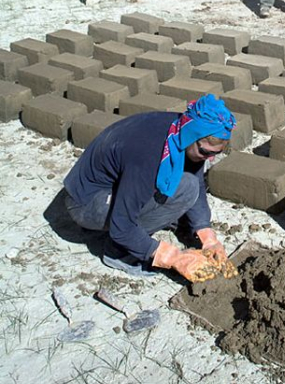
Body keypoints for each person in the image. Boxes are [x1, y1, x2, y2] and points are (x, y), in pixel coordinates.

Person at [62, 94, 236, 280]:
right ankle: (118, 254)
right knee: (128, 222)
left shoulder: (181, 131)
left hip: (119, 186)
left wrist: (207, 235)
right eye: (205, 152)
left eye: (216, 154)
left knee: (189, 186)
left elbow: (196, 181)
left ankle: (147, 224)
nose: (209, 158)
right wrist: (173, 257)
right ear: (192, 135)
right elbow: (122, 226)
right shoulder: (149, 155)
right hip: (86, 203)